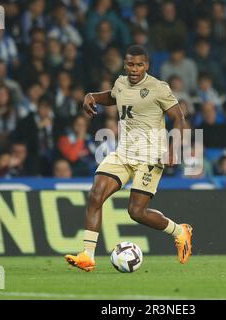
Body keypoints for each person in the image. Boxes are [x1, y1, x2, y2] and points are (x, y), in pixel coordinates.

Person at [64, 45, 192, 272]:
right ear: (125, 65)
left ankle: (180, 231)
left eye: (139, 65)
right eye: (131, 64)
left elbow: (178, 118)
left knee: (136, 212)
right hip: (123, 154)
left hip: (150, 157)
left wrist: (173, 148)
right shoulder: (120, 83)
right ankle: (87, 255)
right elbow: (112, 97)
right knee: (95, 194)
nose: (134, 69)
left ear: (147, 65)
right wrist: (91, 96)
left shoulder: (158, 88)